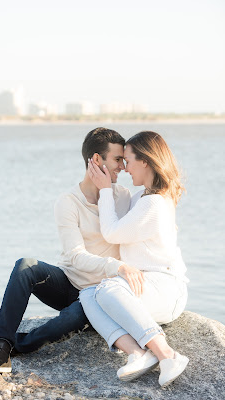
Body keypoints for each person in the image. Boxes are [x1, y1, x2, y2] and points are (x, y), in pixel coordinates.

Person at [0, 127, 131, 372]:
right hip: (67, 283)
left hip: (99, 294)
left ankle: (12, 345)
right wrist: (115, 265)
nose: (123, 167)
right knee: (25, 266)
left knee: (73, 318)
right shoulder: (68, 201)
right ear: (97, 160)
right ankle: (0, 346)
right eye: (118, 159)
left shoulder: (123, 197)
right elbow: (75, 255)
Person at [79, 131, 189, 388]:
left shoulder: (155, 204)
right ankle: (138, 353)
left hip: (166, 288)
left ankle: (167, 354)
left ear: (145, 161)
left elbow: (112, 231)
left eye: (127, 161)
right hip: (144, 287)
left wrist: (106, 190)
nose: (125, 169)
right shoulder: (140, 197)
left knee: (108, 287)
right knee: (88, 294)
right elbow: (112, 223)